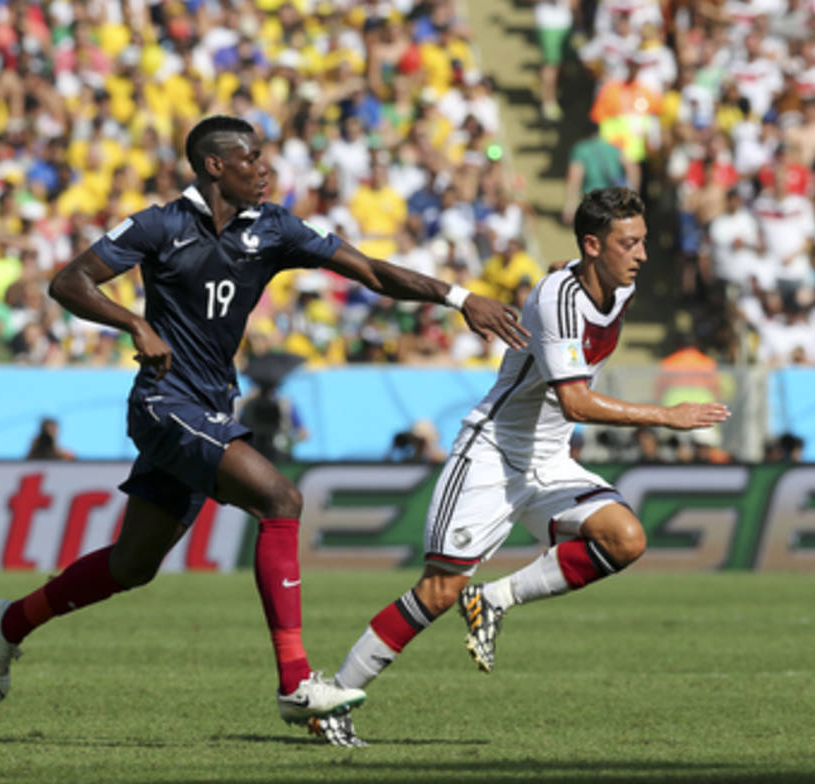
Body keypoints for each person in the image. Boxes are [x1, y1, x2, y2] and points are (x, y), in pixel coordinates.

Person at [0, 115, 530, 728]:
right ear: (215, 166)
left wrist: (459, 298)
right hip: (164, 403)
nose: (265, 169)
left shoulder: (274, 228)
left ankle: (10, 621)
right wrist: (135, 323)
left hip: (212, 405)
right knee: (280, 498)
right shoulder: (160, 224)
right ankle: (296, 683)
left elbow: (371, 271)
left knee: (132, 565)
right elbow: (68, 281)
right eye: (252, 158)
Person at [311, 188, 729, 746]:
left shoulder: (617, 287)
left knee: (625, 538)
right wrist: (667, 416)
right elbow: (576, 402)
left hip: (549, 458)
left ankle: (495, 598)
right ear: (592, 245)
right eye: (629, 243)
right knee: (437, 592)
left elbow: (570, 295)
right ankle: (333, 700)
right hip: (493, 455)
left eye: (644, 241)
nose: (643, 255)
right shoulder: (559, 298)